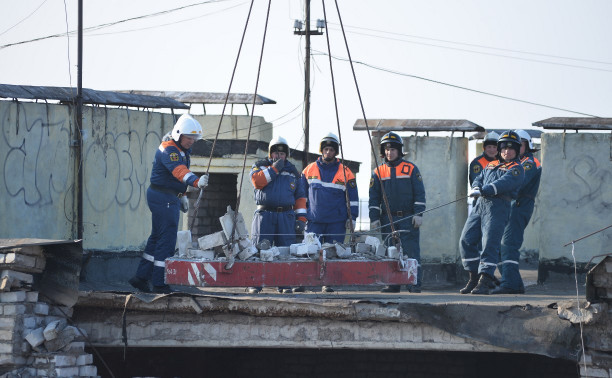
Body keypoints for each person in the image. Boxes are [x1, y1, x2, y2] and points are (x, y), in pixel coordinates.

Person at [129, 114, 209, 294]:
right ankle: (159, 283)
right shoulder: (170, 150)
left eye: (194, 138)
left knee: (157, 237)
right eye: (189, 138)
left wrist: (181, 194)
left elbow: (175, 175)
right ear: (179, 134)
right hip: (163, 198)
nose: (192, 141)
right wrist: (196, 182)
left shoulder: (178, 149)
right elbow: (179, 171)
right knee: (166, 239)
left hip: (166, 196)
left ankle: (141, 277)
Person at [459, 130, 525, 295]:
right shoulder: (491, 164)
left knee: (490, 244)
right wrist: (475, 187)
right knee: (466, 240)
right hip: (480, 205)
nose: (506, 151)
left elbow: (504, 183)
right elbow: (479, 177)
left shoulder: (517, 169)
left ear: (516, 150)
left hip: (498, 206)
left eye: (511, 148)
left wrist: (484, 189)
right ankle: (473, 277)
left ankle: (485, 280)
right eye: (503, 148)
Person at [248, 136, 307, 294]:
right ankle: (255, 284)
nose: (279, 156)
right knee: (260, 250)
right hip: (265, 215)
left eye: (282, 154)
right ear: (270, 153)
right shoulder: (260, 166)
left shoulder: (293, 172)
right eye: (276, 153)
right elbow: (257, 182)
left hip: (285, 216)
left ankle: (285, 285)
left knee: (285, 251)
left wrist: (301, 218)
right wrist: (274, 168)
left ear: (286, 155)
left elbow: (300, 197)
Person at [301, 133, 359, 293]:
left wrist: (352, 218)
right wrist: (300, 216)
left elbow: (353, 198)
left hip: (337, 223)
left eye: (331, 150)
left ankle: (328, 283)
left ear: (336, 152)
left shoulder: (346, 172)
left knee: (332, 253)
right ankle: (306, 281)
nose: (328, 152)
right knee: (309, 251)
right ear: (321, 150)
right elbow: (301, 195)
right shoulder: (308, 170)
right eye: (325, 149)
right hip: (314, 221)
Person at [369, 132, 426, 293]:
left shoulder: (411, 169)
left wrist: (418, 214)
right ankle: (393, 284)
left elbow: (419, 194)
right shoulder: (378, 172)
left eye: (393, 149)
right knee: (390, 252)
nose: (389, 152)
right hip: (387, 219)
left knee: (411, 252)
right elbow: (374, 198)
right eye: (386, 149)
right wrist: (374, 218)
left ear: (399, 150)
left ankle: (414, 283)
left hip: (408, 217)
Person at [492, 129, 542, 294]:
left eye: (520, 144)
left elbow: (517, 181)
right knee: (499, 246)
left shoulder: (529, 162)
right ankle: (512, 281)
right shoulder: (510, 163)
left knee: (508, 244)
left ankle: (510, 283)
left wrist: (494, 187)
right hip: (508, 205)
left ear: (527, 145)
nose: (515, 147)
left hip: (519, 205)